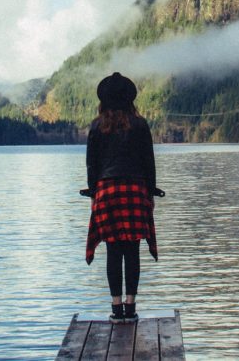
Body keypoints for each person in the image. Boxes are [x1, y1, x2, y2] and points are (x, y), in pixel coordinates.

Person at [85, 72, 158, 324]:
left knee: (113, 250)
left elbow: (91, 166)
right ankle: (131, 306)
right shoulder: (140, 124)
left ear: (103, 100)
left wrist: (94, 195)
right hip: (135, 190)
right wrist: (150, 192)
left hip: (107, 192)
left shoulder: (96, 126)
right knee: (133, 250)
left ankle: (116, 309)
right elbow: (149, 163)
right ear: (129, 99)